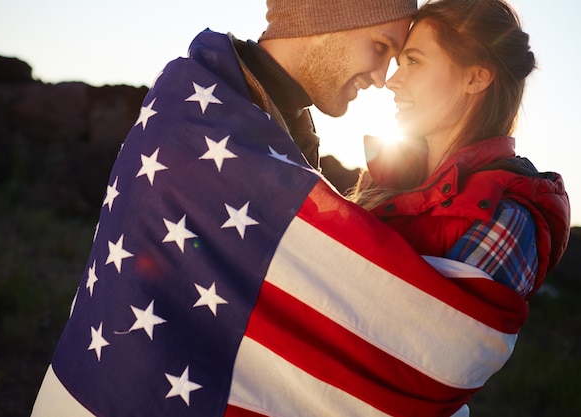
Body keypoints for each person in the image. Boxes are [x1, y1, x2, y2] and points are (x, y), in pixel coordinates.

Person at [31, 1, 555, 416]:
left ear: (476, 77)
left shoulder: (504, 210)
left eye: (407, 60)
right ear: (330, 18)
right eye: (383, 49)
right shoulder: (213, 122)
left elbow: (434, 352)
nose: (386, 78)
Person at [351, 0, 570, 301]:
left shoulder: (505, 219)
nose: (391, 81)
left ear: (475, 77)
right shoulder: (381, 180)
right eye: (399, 63)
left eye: (413, 61)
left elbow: (415, 333)